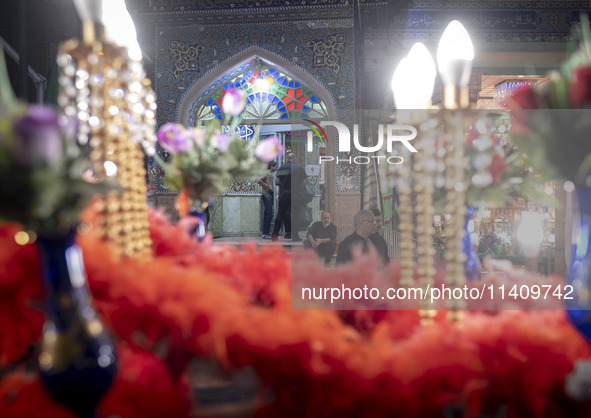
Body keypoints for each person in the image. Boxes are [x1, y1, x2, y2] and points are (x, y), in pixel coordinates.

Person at [271, 153, 307, 242]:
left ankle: (274, 235)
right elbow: (305, 181)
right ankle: (295, 236)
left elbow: (276, 180)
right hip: (295, 195)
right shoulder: (299, 168)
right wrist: (297, 185)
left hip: (284, 194)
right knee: (295, 215)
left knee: (280, 214)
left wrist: (283, 184)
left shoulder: (282, 168)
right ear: (295, 159)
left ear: (288, 159)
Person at [256, 161, 278, 239]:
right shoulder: (266, 173)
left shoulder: (270, 174)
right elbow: (258, 180)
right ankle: (265, 233)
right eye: (275, 166)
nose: (276, 168)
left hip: (269, 194)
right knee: (269, 213)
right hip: (267, 194)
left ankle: (266, 233)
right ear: (271, 167)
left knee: (267, 213)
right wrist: (267, 186)